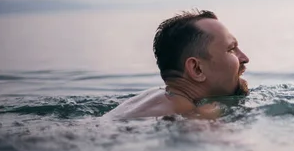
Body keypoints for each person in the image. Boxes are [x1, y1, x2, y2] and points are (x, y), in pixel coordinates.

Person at [105, 10, 249, 119]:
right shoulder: (193, 118)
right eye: (231, 49)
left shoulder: (153, 96)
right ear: (197, 69)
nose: (244, 58)